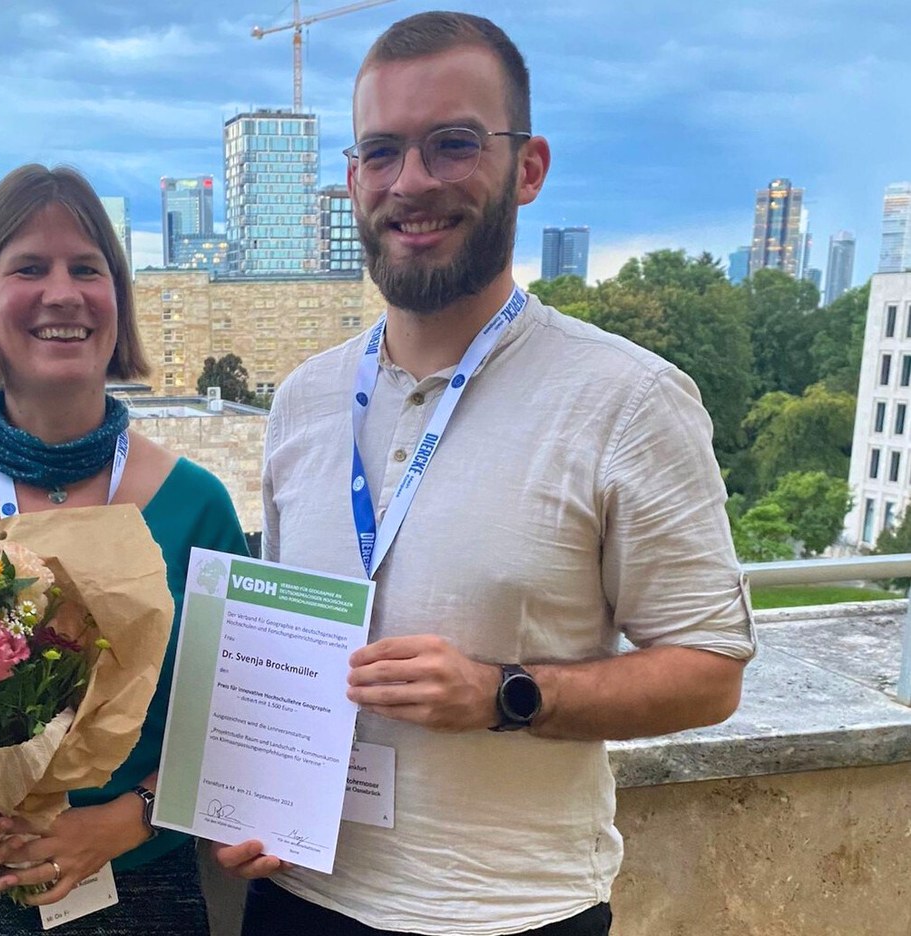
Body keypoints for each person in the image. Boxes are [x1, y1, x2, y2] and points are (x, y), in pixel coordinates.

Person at [215, 11, 755, 936]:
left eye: (452, 144)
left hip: (508, 914)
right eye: (381, 152)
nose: (411, 183)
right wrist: (249, 790)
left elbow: (709, 673)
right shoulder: (304, 400)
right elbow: (289, 636)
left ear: (528, 166)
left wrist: (506, 693)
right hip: (298, 900)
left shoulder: (627, 398)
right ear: (351, 181)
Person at [0, 164, 248, 935]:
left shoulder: (198, 505)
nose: (62, 292)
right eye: (29, 267)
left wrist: (126, 821)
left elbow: (235, 721)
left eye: (86, 268)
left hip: (140, 893)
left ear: (117, 301)